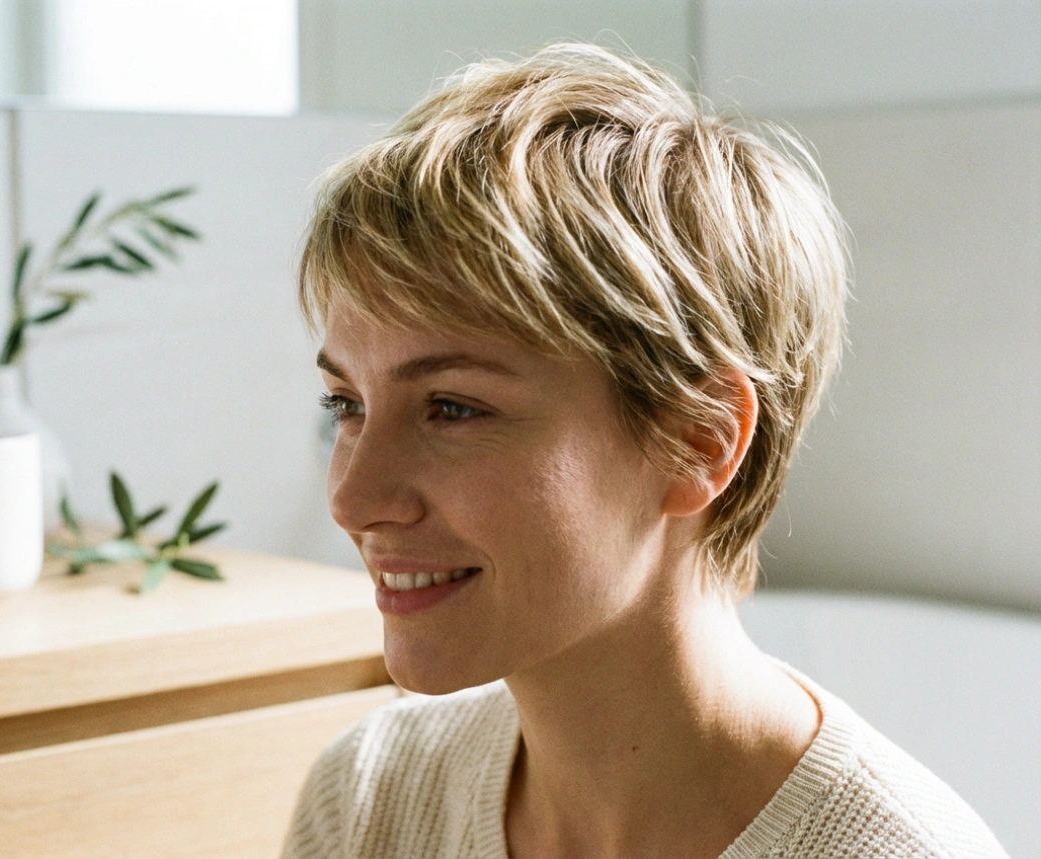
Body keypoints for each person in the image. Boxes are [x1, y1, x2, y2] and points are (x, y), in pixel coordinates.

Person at [282, 44, 1005, 859]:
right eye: (347, 403)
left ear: (699, 438)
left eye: (452, 407)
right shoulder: (372, 795)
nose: (352, 498)